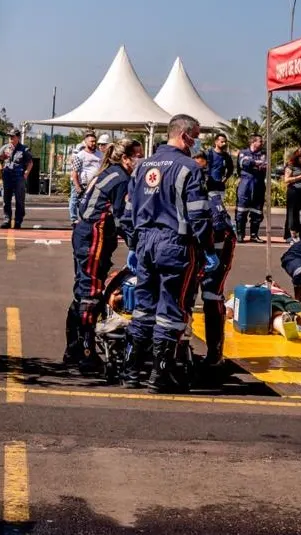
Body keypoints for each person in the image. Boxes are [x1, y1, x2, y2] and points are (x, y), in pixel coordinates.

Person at [120, 113, 213, 392]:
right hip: (175, 244)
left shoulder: (141, 167)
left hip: (145, 242)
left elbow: (127, 212)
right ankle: (160, 376)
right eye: (195, 137)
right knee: (171, 309)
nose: (195, 143)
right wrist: (207, 247)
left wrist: (135, 244)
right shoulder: (189, 168)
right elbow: (199, 215)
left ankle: (131, 371)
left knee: (143, 307)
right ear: (184, 135)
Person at [64, 139, 142, 375]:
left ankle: (73, 349)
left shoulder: (108, 172)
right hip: (94, 236)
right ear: (126, 158)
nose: (141, 159)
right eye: (137, 155)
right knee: (91, 294)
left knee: (82, 292)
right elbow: (124, 218)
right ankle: (87, 354)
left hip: (85, 234)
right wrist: (138, 246)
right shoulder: (121, 180)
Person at [193, 151, 236, 370]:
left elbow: (219, 228)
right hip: (198, 247)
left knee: (211, 294)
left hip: (218, 247)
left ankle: (215, 352)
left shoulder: (210, 198)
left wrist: (210, 253)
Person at [235, 134, 268, 243]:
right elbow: (243, 163)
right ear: (253, 142)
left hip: (259, 185)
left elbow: (265, 165)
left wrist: (254, 164)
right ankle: (240, 234)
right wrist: (255, 163)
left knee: (257, 211)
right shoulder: (244, 152)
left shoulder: (263, 154)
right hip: (246, 184)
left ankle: (254, 235)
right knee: (241, 211)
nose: (262, 143)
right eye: (260, 141)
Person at [0, 129, 34, 229]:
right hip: (7, 176)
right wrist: (0, 169)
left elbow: (30, 163)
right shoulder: (4, 148)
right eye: (9, 136)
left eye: (12, 136)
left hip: (19, 177)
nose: (10, 138)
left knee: (19, 200)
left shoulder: (24, 149)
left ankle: (18, 220)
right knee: (6, 199)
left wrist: (26, 173)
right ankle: (6, 220)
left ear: (18, 137)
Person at [68, 131, 102, 226]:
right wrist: (77, 186)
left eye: (95, 141)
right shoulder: (80, 156)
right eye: (91, 141)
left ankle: (91, 221)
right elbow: (75, 172)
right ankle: (76, 220)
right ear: (86, 142)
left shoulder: (100, 155)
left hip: (96, 185)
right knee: (80, 203)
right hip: (84, 184)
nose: (93, 143)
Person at [204, 133, 233, 205]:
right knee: (210, 208)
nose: (224, 143)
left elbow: (231, 169)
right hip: (209, 186)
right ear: (216, 142)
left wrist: (226, 178)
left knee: (219, 208)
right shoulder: (208, 154)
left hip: (220, 187)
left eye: (225, 142)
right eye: (222, 141)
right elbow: (201, 167)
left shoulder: (226, 156)